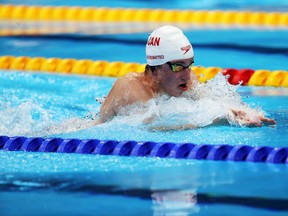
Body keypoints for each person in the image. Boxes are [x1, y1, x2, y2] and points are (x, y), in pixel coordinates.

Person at [97, 25, 276, 129]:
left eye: (189, 64)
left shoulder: (187, 79)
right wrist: (222, 118)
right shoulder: (131, 87)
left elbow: (211, 99)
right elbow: (158, 126)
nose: (187, 74)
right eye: (177, 66)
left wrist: (240, 111)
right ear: (156, 69)